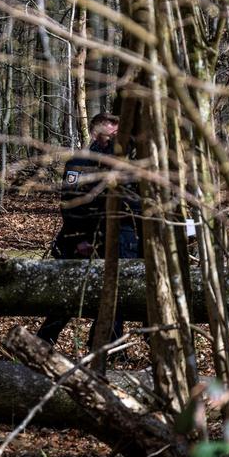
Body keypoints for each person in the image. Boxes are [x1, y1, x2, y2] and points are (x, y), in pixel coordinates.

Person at [36, 113, 142, 348]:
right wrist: (80, 239)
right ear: (96, 130)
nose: (116, 129)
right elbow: (71, 202)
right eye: (111, 125)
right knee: (74, 293)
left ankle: (106, 346)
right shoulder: (79, 162)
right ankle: (44, 340)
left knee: (117, 292)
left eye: (118, 124)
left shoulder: (126, 161)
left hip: (121, 237)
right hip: (84, 237)